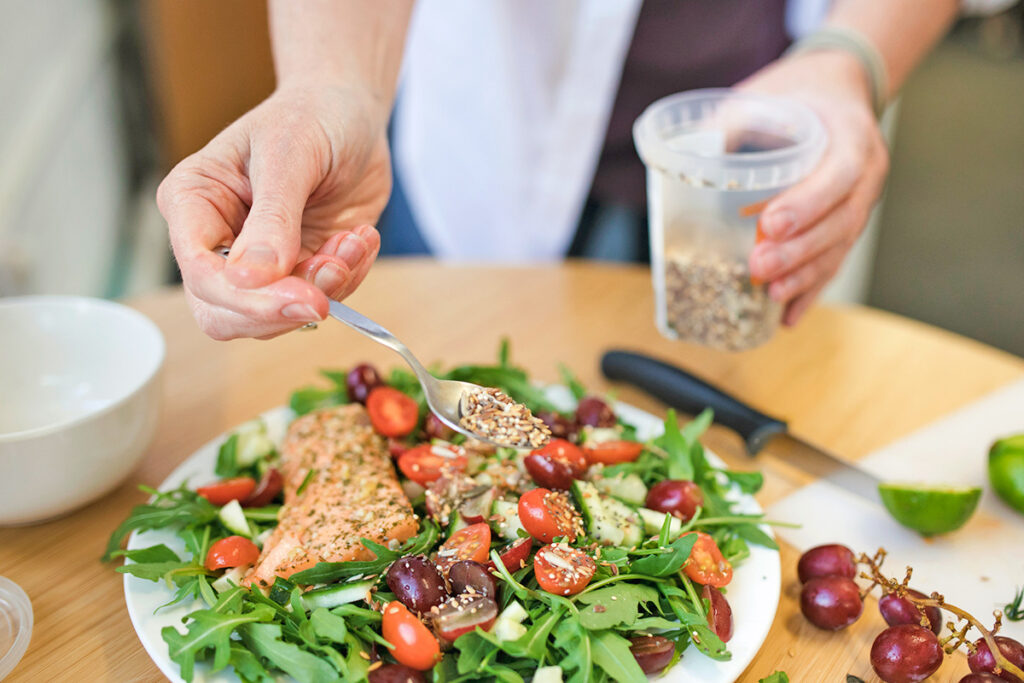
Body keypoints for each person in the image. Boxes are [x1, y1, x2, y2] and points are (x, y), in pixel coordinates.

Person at [157, 0, 990, 341]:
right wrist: (329, 83)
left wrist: (849, 61)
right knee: (464, 350)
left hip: (754, 149)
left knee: (728, 407)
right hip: (484, 138)